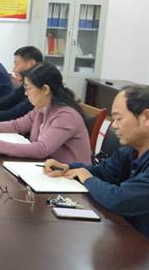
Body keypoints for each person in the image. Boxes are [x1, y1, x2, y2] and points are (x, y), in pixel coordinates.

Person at [43, 85, 149, 238]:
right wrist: (68, 167)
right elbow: (103, 172)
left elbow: (120, 200)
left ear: (146, 118)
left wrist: (87, 178)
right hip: (125, 234)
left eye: (119, 119)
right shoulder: (131, 151)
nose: (114, 125)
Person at [0, 63, 91, 163]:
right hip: (48, 169)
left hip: (71, 177)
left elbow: (42, 149)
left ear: (45, 89)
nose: (26, 93)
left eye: (28, 88)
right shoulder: (41, 108)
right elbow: (17, 125)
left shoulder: (66, 116)